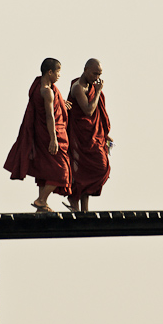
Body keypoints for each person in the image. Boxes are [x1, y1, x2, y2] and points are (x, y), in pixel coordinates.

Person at [4, 58, 72, 212]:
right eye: (58, 72)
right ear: (50, 72)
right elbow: (49, 116)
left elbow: (47, 104)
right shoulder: (47, 91)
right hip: (49, 134)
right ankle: (41, 199)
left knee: (45, 169)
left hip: (40, 134)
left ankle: (42, 206)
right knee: (63, 171)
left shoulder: (38, 86)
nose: (59, 75)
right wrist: (54, 138)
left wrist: (61, 101)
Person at [65, 58, 111, 212]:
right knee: (83, 170)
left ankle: (84, 207)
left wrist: (105, 134)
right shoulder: (78, 88)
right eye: (94, 73)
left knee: (97, 168)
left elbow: (98, 113)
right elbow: (89, 110)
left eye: (100, 74)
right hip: (80, 134)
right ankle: (74, 200)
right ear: (85, 70)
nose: (97, 77)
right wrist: (98, 91)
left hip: (94, 134)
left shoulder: (92, 87)